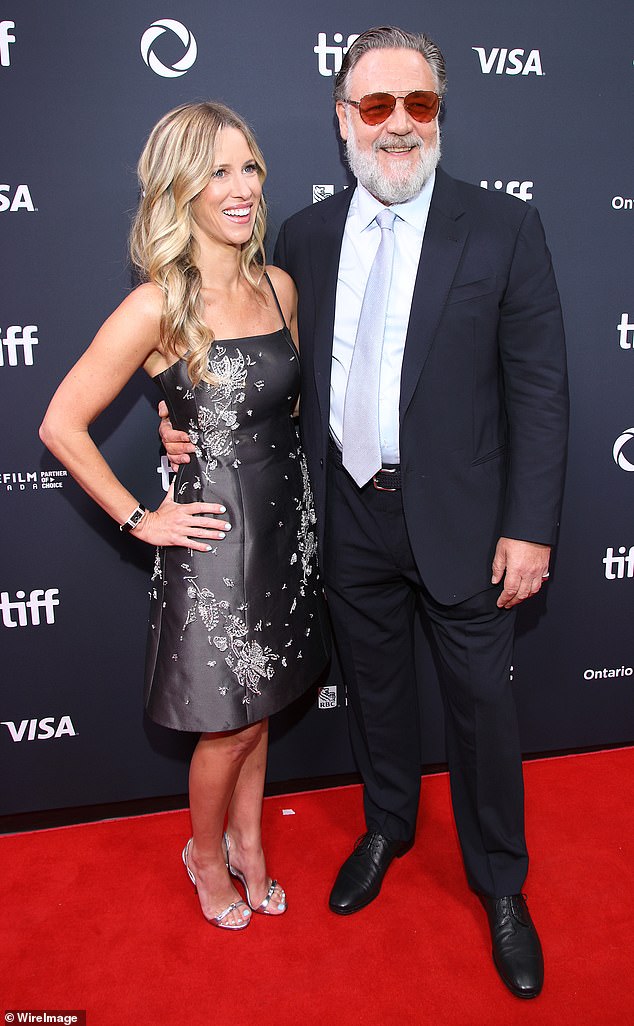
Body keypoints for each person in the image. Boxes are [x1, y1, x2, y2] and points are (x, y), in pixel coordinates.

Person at [162, 26, 568, 996]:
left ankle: (500, 885)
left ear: (439, 115)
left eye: (417, 105)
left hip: (467, 525)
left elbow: (540, 390)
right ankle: (387, 826)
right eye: (376, 106)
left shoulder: (502, 228)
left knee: (481, 713)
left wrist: (530, 527)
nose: (397, 126)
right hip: (345, 518)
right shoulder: (303, 239)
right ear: (344, 119)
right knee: (377, 698)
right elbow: (256, 369)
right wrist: (186, 427)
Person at [39, 101, 330, 931]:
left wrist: (190, 422)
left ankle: (248, 841)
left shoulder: (277, 286)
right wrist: (142, 519)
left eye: (249, 167)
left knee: (260, 708)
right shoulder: (158, 306)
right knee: (226, 726)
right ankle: (204, 854)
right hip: (213, 548)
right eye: (217, 172)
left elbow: (279, 410)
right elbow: (61, 424)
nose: (242, 188)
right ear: (179, 189)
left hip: (285, 536)